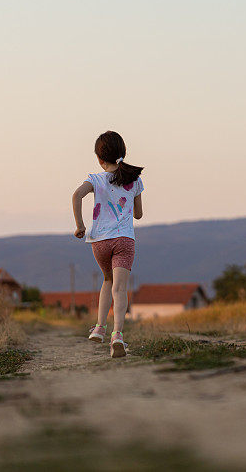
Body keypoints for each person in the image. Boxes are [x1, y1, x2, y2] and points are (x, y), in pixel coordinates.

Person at [72, 130, 144, 358]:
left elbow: (76, 196)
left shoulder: (95, 179)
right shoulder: (135, 180)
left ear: (99, 159)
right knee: (120, 288)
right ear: (123, 153)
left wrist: (80, 225)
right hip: (124, 239)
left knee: (106, 281)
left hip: (100, 241)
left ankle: (100, 327)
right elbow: (139, 215)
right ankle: (117, 335)